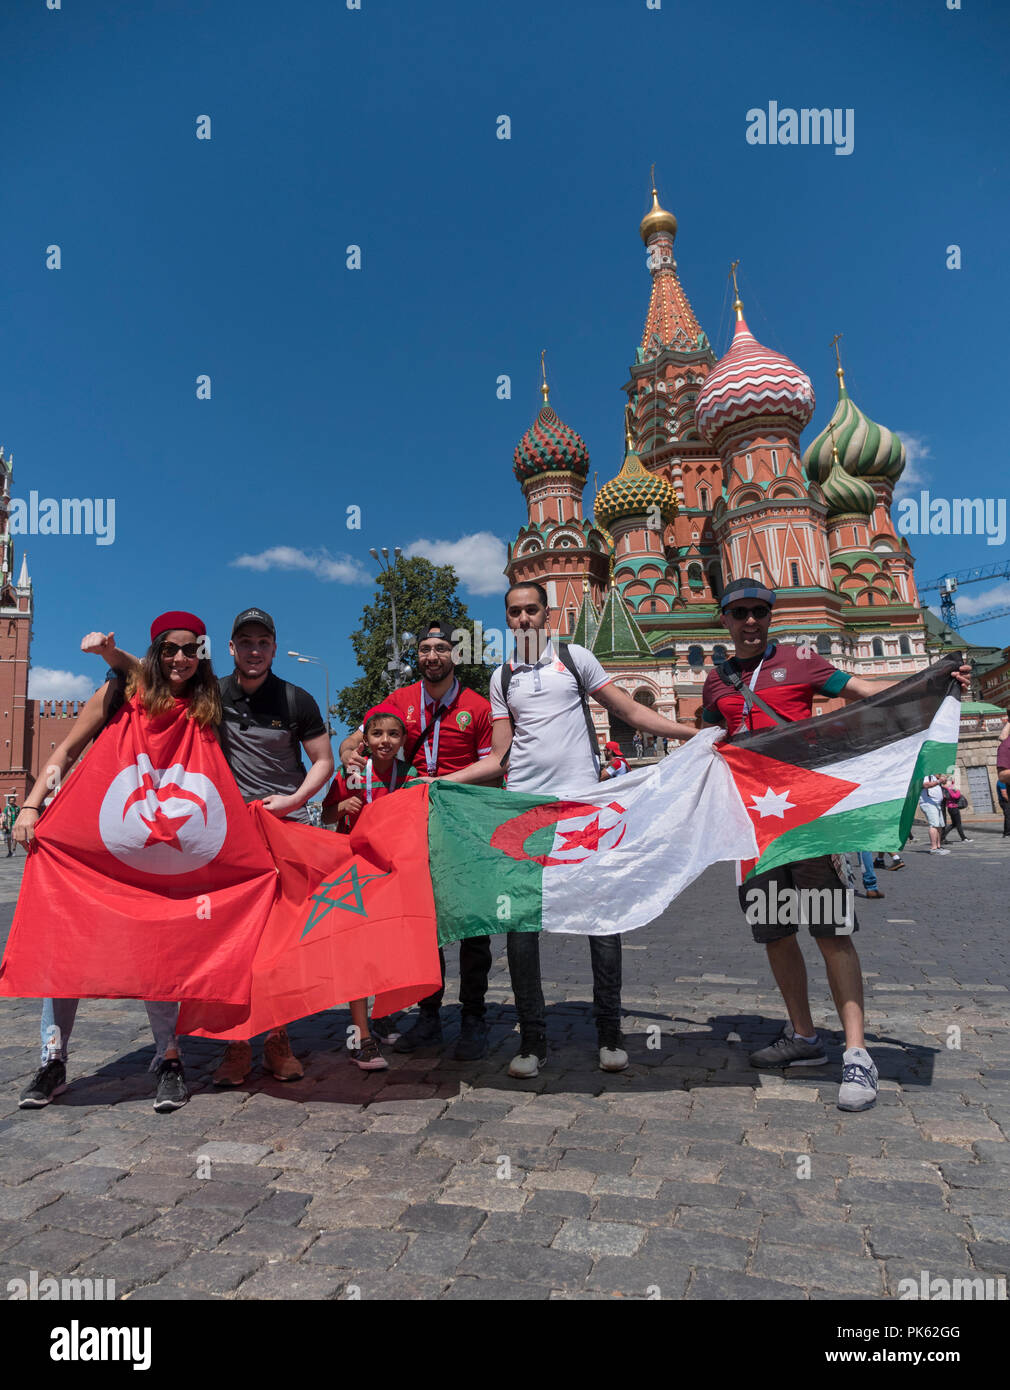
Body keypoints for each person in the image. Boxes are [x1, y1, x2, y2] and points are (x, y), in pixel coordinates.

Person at [701, 578, 971, 1113]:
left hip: (809, 822)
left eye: (759, 611)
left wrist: (935, 682)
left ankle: (857, 1052)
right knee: (775, 933)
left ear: (770, 616)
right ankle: (803, 1037)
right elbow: (711, 739)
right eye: (739, 612)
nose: (750, 620)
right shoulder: (716, 682)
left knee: (830, 930)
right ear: (725, 619)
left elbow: (868, 692)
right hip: (753, 829)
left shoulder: (802, 662)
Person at [439, 582, 699, 1078]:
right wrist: (438, 781)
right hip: (525, 813)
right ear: (507, 619)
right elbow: (498, 757)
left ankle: (609, 1033)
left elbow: (629, 710)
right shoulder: (503, 676)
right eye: (513, 613)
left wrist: (694, 733)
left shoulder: (574, 658)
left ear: (547, 614)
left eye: (531, 611)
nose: (522, 620)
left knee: (601, 920)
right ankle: (533, 1041)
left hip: (582, 808)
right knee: (522, 927)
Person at [83, 608, 335, 1085]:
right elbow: (150, 674)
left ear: (274, 648)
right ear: (231, 649)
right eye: (245, 642)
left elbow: (322, 761)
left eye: (263, 642)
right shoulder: (211, 693)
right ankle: (237, 1044)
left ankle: (277, 1040)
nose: (254, 650)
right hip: (228, 836)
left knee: (278, 942)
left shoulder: (297, 698)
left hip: (287, 828)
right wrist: (110, 653)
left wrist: (296, 800)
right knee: (232, 943)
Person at [18, 612, 220, 1113]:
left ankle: (168, 1058)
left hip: (165, 857)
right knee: (65, 943)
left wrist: (116, 654)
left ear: (201, 654)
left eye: (190, 649)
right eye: (169, 649)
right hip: (96, 850)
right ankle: (52, 1060)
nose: (180, 658)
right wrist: (30, 805)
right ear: (155, 653)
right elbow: (64, 750)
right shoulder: (116, 694)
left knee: (159, 950)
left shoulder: (203, 700)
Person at [338, 619, 495, 1061]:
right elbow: (358, 735)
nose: (431, 656)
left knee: (473, 927)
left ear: (455, 654)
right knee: (428, 924)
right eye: (424, 648)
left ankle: (475, 1015)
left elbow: (496, 766)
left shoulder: (478, 707)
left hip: (462, 826)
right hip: (412, 830)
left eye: (441, 648)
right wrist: (350, 749)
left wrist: (444, 789)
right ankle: (429, 1014)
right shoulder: (401, 701)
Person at [322, 703, 420, 1069]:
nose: (385, 741)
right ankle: (360, 1036)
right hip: (355, 874)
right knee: (359, 954)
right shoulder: (353, 773)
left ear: (403, 740)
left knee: (387, 950)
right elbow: (327, 813)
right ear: (365, 739)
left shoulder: (410, 774)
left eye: (393, 734)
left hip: (393, 873)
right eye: (377, 734)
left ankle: (381, 1017)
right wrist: (343, 805)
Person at [918, 775, 950, 855]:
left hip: (936, 804)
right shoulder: (925, 775)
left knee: (939, 825)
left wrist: (943, 780)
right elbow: (925, 785)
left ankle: (938, 846)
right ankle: (934, 848)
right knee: (934, 825)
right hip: (928, 803)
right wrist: (939, 781)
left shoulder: (934, 777)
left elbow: (942, 784)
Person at [940, 777, 972, 844]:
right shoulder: (948, 789)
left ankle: (942, 836)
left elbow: (951, 785)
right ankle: (963, 838)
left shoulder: (947, 788)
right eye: (949, 782)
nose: (950, 783)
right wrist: (957, 791)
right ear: (946, 782)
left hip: (951, 808)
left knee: (954, 824)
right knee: (958, 824)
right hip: (953, 808)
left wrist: (953, 782)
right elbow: (956, 796)